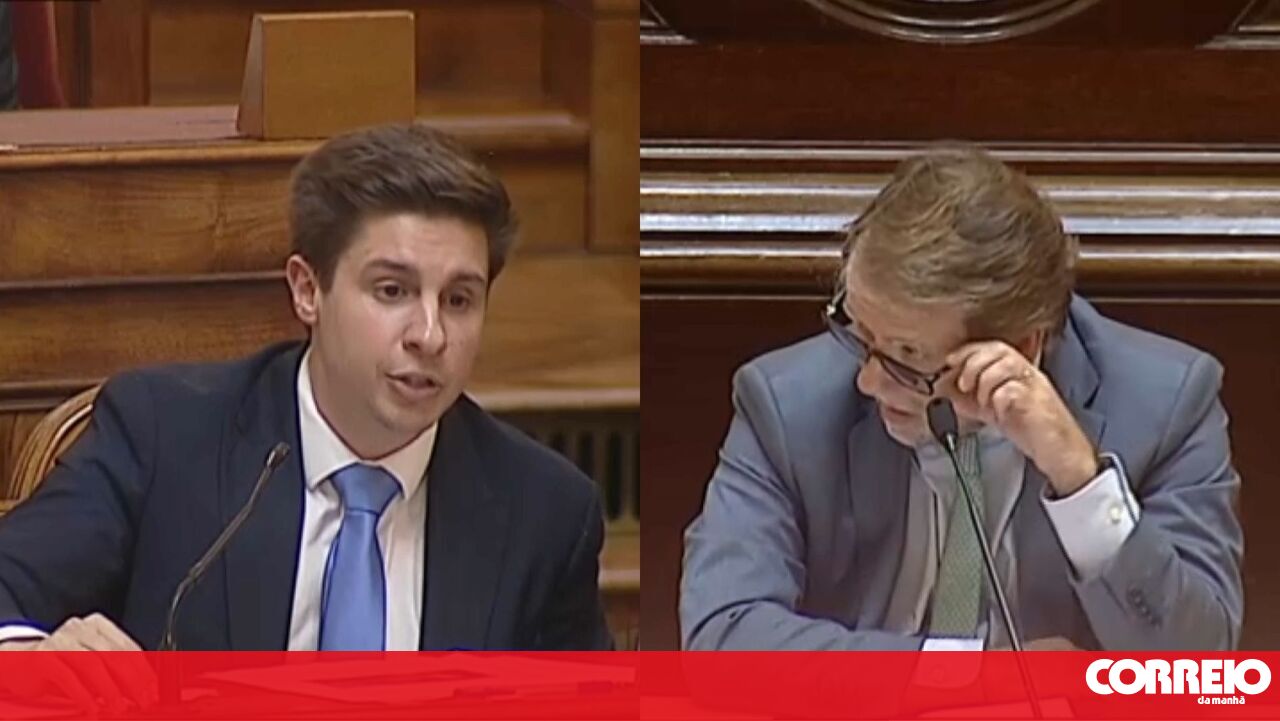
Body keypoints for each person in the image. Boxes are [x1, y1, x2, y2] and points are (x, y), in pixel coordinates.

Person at [0, 123, 613, 653]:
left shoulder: (543, 513)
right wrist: (37, 658)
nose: (430, 335)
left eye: (459, 300)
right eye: (392, 291)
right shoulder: (165, 438)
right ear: (307, 290)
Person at [680, 146, 1243, 651]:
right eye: (861, 334)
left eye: (906, 353)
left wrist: (1081, 482)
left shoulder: (1167, 403)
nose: (869, 381)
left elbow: (1194, 666)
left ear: (1018, 348)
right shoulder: (784, 405)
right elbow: (722, 633)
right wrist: (964, 679)